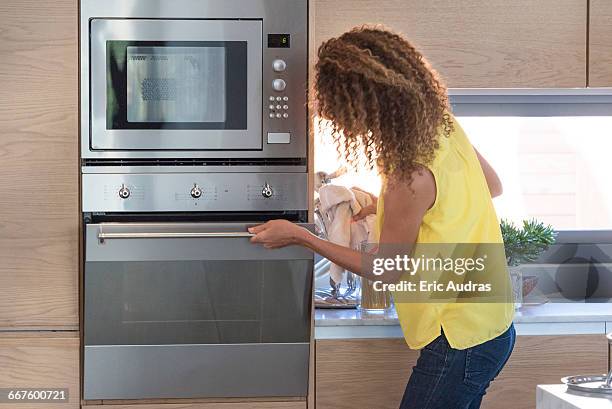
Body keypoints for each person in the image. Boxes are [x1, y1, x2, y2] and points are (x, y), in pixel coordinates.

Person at [249, 26, 515, 409]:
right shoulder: (443, 128)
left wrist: (300, 237)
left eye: (342, 112)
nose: (343, 123)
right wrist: (392, 210)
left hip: (459, 338)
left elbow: (386, 269)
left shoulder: (407, 175)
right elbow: (490, 186)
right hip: (494, 323)